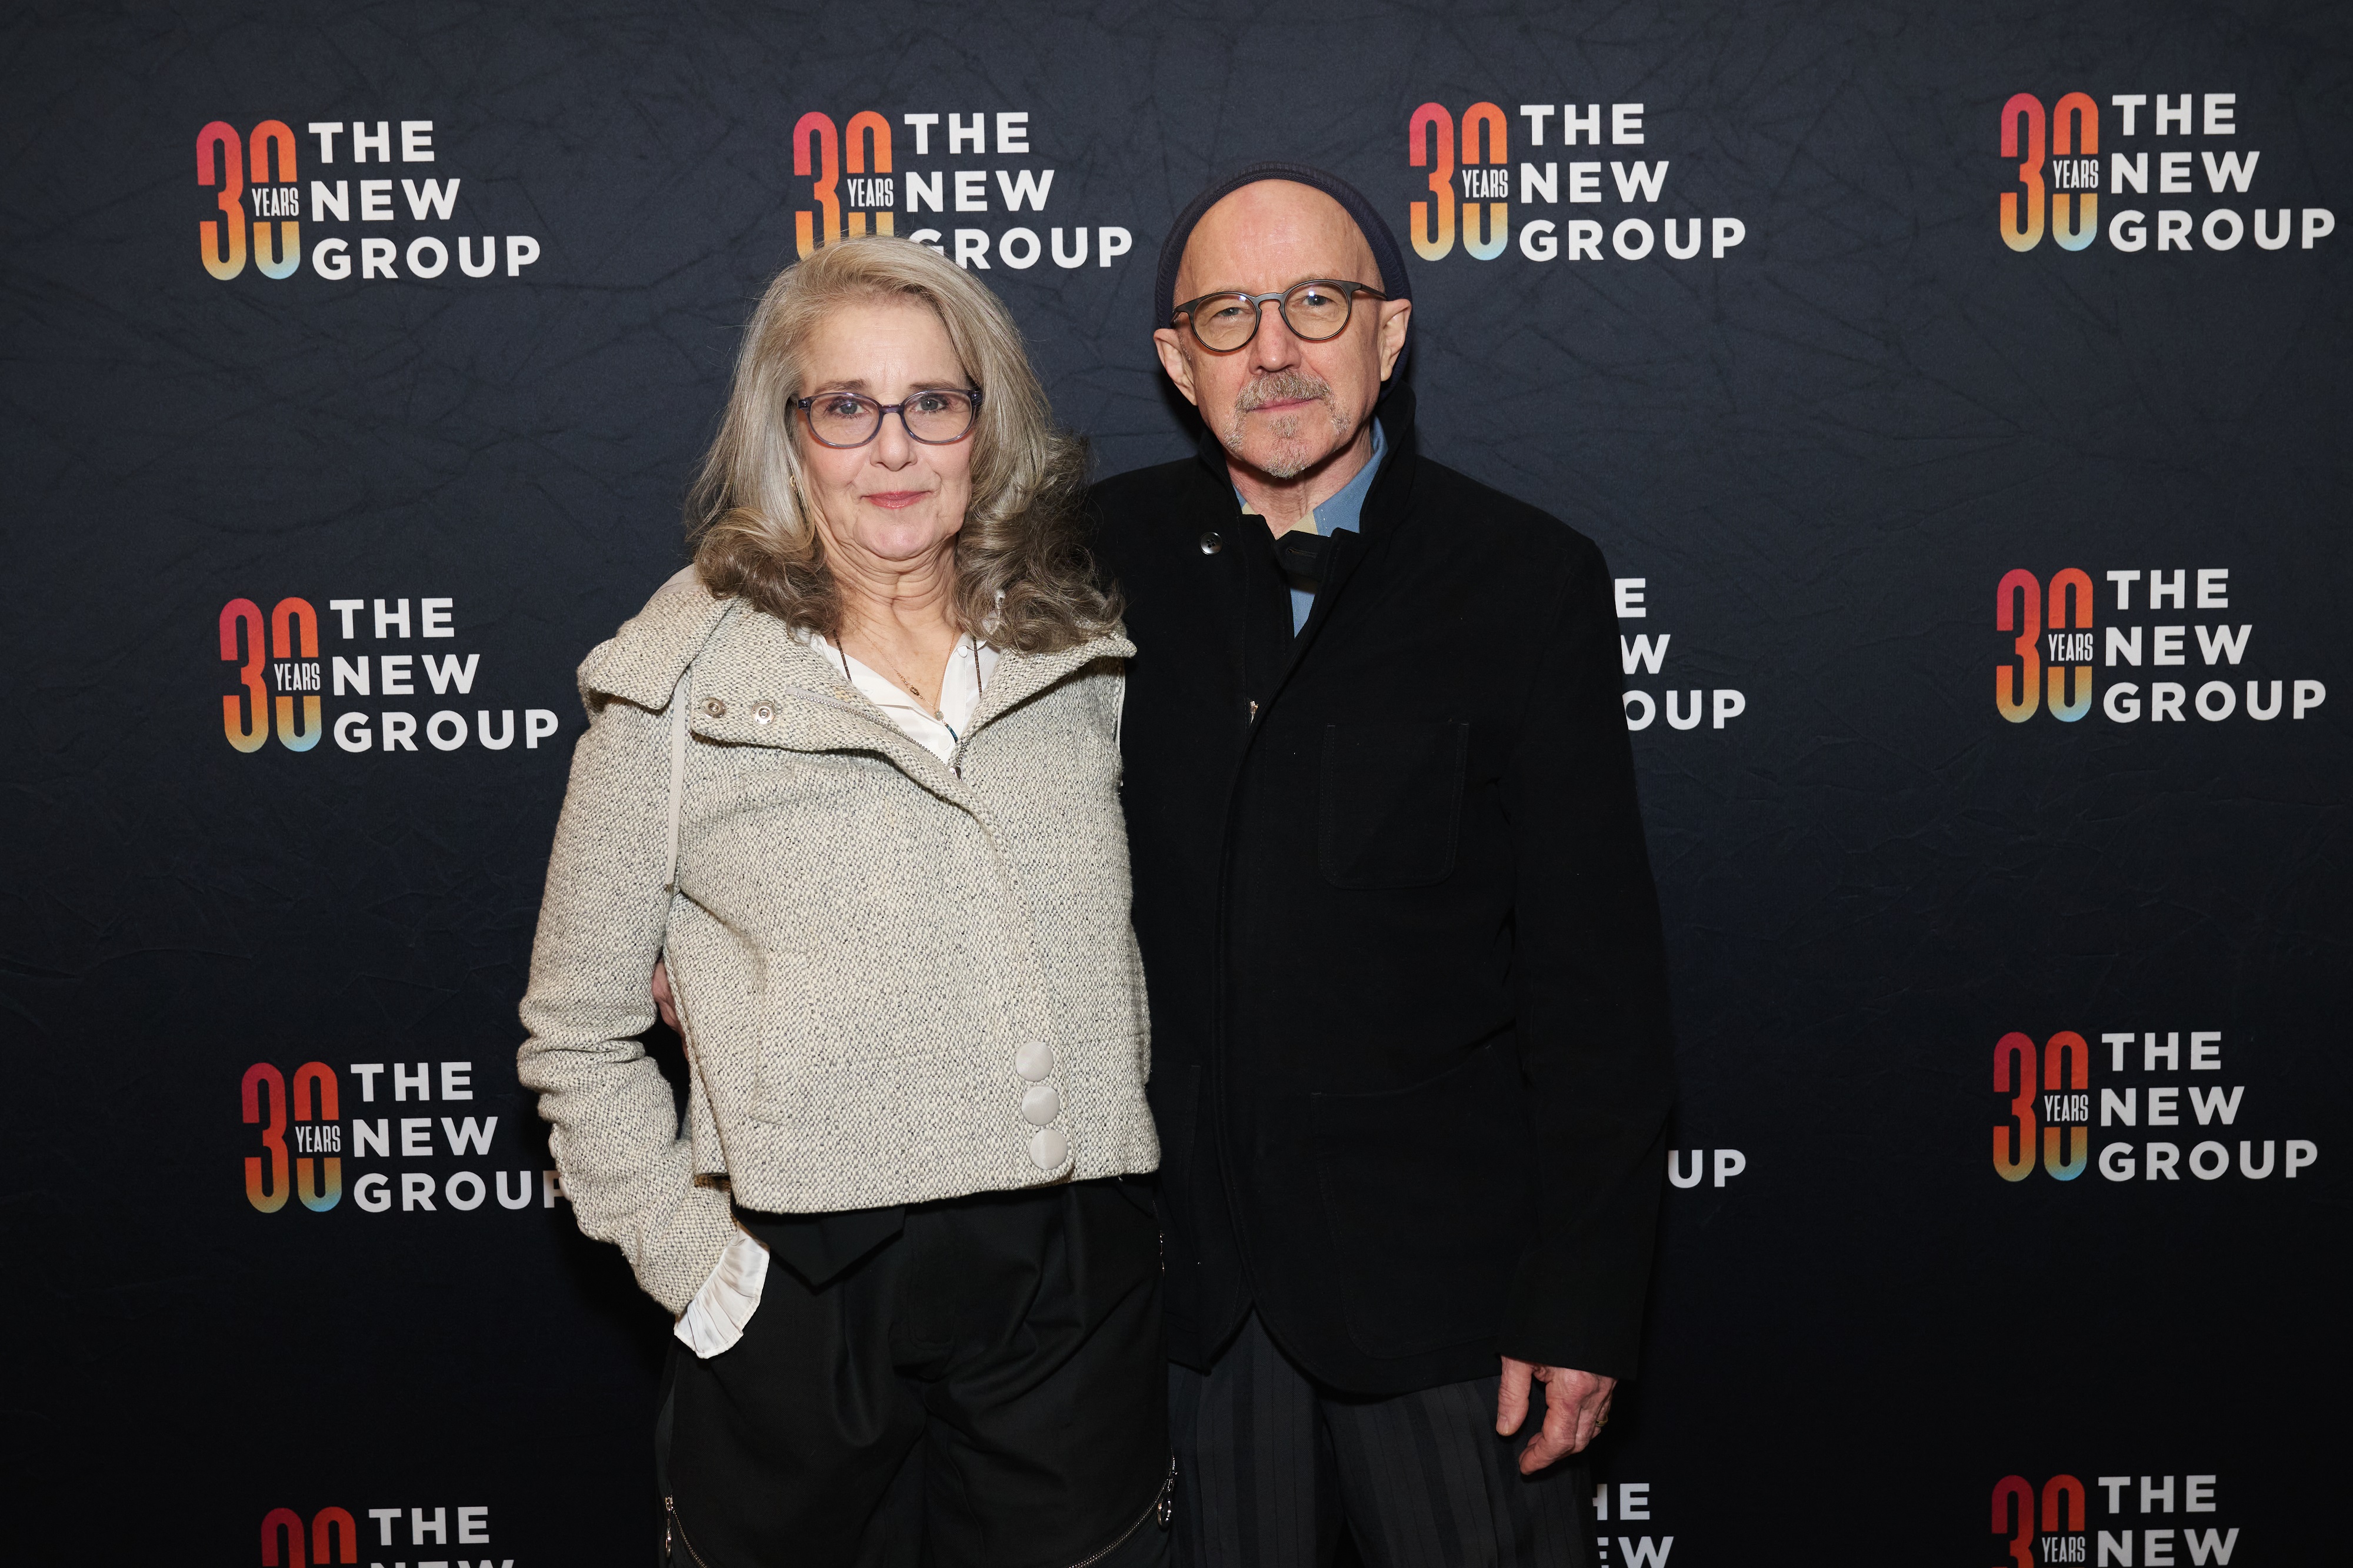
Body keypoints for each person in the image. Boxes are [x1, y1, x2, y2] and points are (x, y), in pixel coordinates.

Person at [519, 234, 1172, 1568]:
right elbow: (575, 1031)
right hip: (806, 1298)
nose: (893, 449)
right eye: (846, 407)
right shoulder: (678, 675)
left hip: (1068, 1286)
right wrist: (701, 1275)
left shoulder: (1077, 649)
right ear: (786, 429)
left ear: (984, 427)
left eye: (933, 404)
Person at [1088, 164, 1678, 1567]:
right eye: (1228, 316)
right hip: (1183, 1303)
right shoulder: (1076, 561)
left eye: (1315, 301)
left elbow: (1594, 974)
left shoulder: (1524, 578)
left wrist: (1583, 1297)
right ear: (1177, 361)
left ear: (1389, 334)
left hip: (1450, 1308)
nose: (1276, 349)